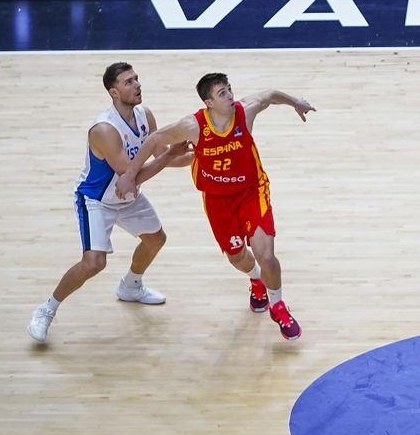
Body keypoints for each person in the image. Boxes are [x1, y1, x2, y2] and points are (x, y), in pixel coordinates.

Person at [117, 74, 314, 341]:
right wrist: (130, 174)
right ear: (208, 102)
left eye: (230, 90)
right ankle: (256, 280)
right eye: (222, 93)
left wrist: (295, 102)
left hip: (251, 192)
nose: (231, 96)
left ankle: (278, 306)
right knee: (237, 257)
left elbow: (268, 94)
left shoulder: (245, 112)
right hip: (217, 200)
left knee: (266, 254)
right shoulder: (193, 126)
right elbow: (153, 140)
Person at [26, 63, 192, 346]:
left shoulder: (144, 115)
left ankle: (131, 286)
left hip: (127, 197)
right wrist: (166, 158)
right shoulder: (104, 129)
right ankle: (47, 309)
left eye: (137, 78)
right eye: (129, 82)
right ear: (114, 92)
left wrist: (203, 154)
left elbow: (167, 156)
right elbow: (131, 175)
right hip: (98, 200)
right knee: (94, 263)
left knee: (155, 239)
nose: (137, 84)